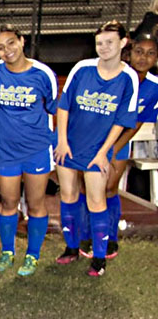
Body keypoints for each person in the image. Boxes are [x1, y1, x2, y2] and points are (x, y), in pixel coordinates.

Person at [54, 20, 138, 277]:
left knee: (96, 200)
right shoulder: (83, 68)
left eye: (110, 42)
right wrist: (62, 140)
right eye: (99, 42)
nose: (103, 47)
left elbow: (122, 120)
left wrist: (104, 152)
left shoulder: (128, 77)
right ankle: (71, 248)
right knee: (67, 196)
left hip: (97, 150)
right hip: (69, 145)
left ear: (123, 43)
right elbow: (64, 105)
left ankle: (99, 258)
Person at [0, 25, 58, 276]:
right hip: (5, 151)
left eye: (11, 43)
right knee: (8, 202)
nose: (7, 51)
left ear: (22, 41)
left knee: (36, 204)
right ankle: (8, 252)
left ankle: (33, 255)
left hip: (36, 149)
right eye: (0, 47)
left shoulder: (42, 74)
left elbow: (55, 109)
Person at [93, 32, 158, 259]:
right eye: (139, 52)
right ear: (129, 54)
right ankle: (87, 235)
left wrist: (112, 149)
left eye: (150, 54)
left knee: (110, 187)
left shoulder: (154, 87)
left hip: (119, 142)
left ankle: (110, 238)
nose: (143, 58)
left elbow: (136, 123)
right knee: (88, 189)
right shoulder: (116, 75)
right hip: (93, 138)